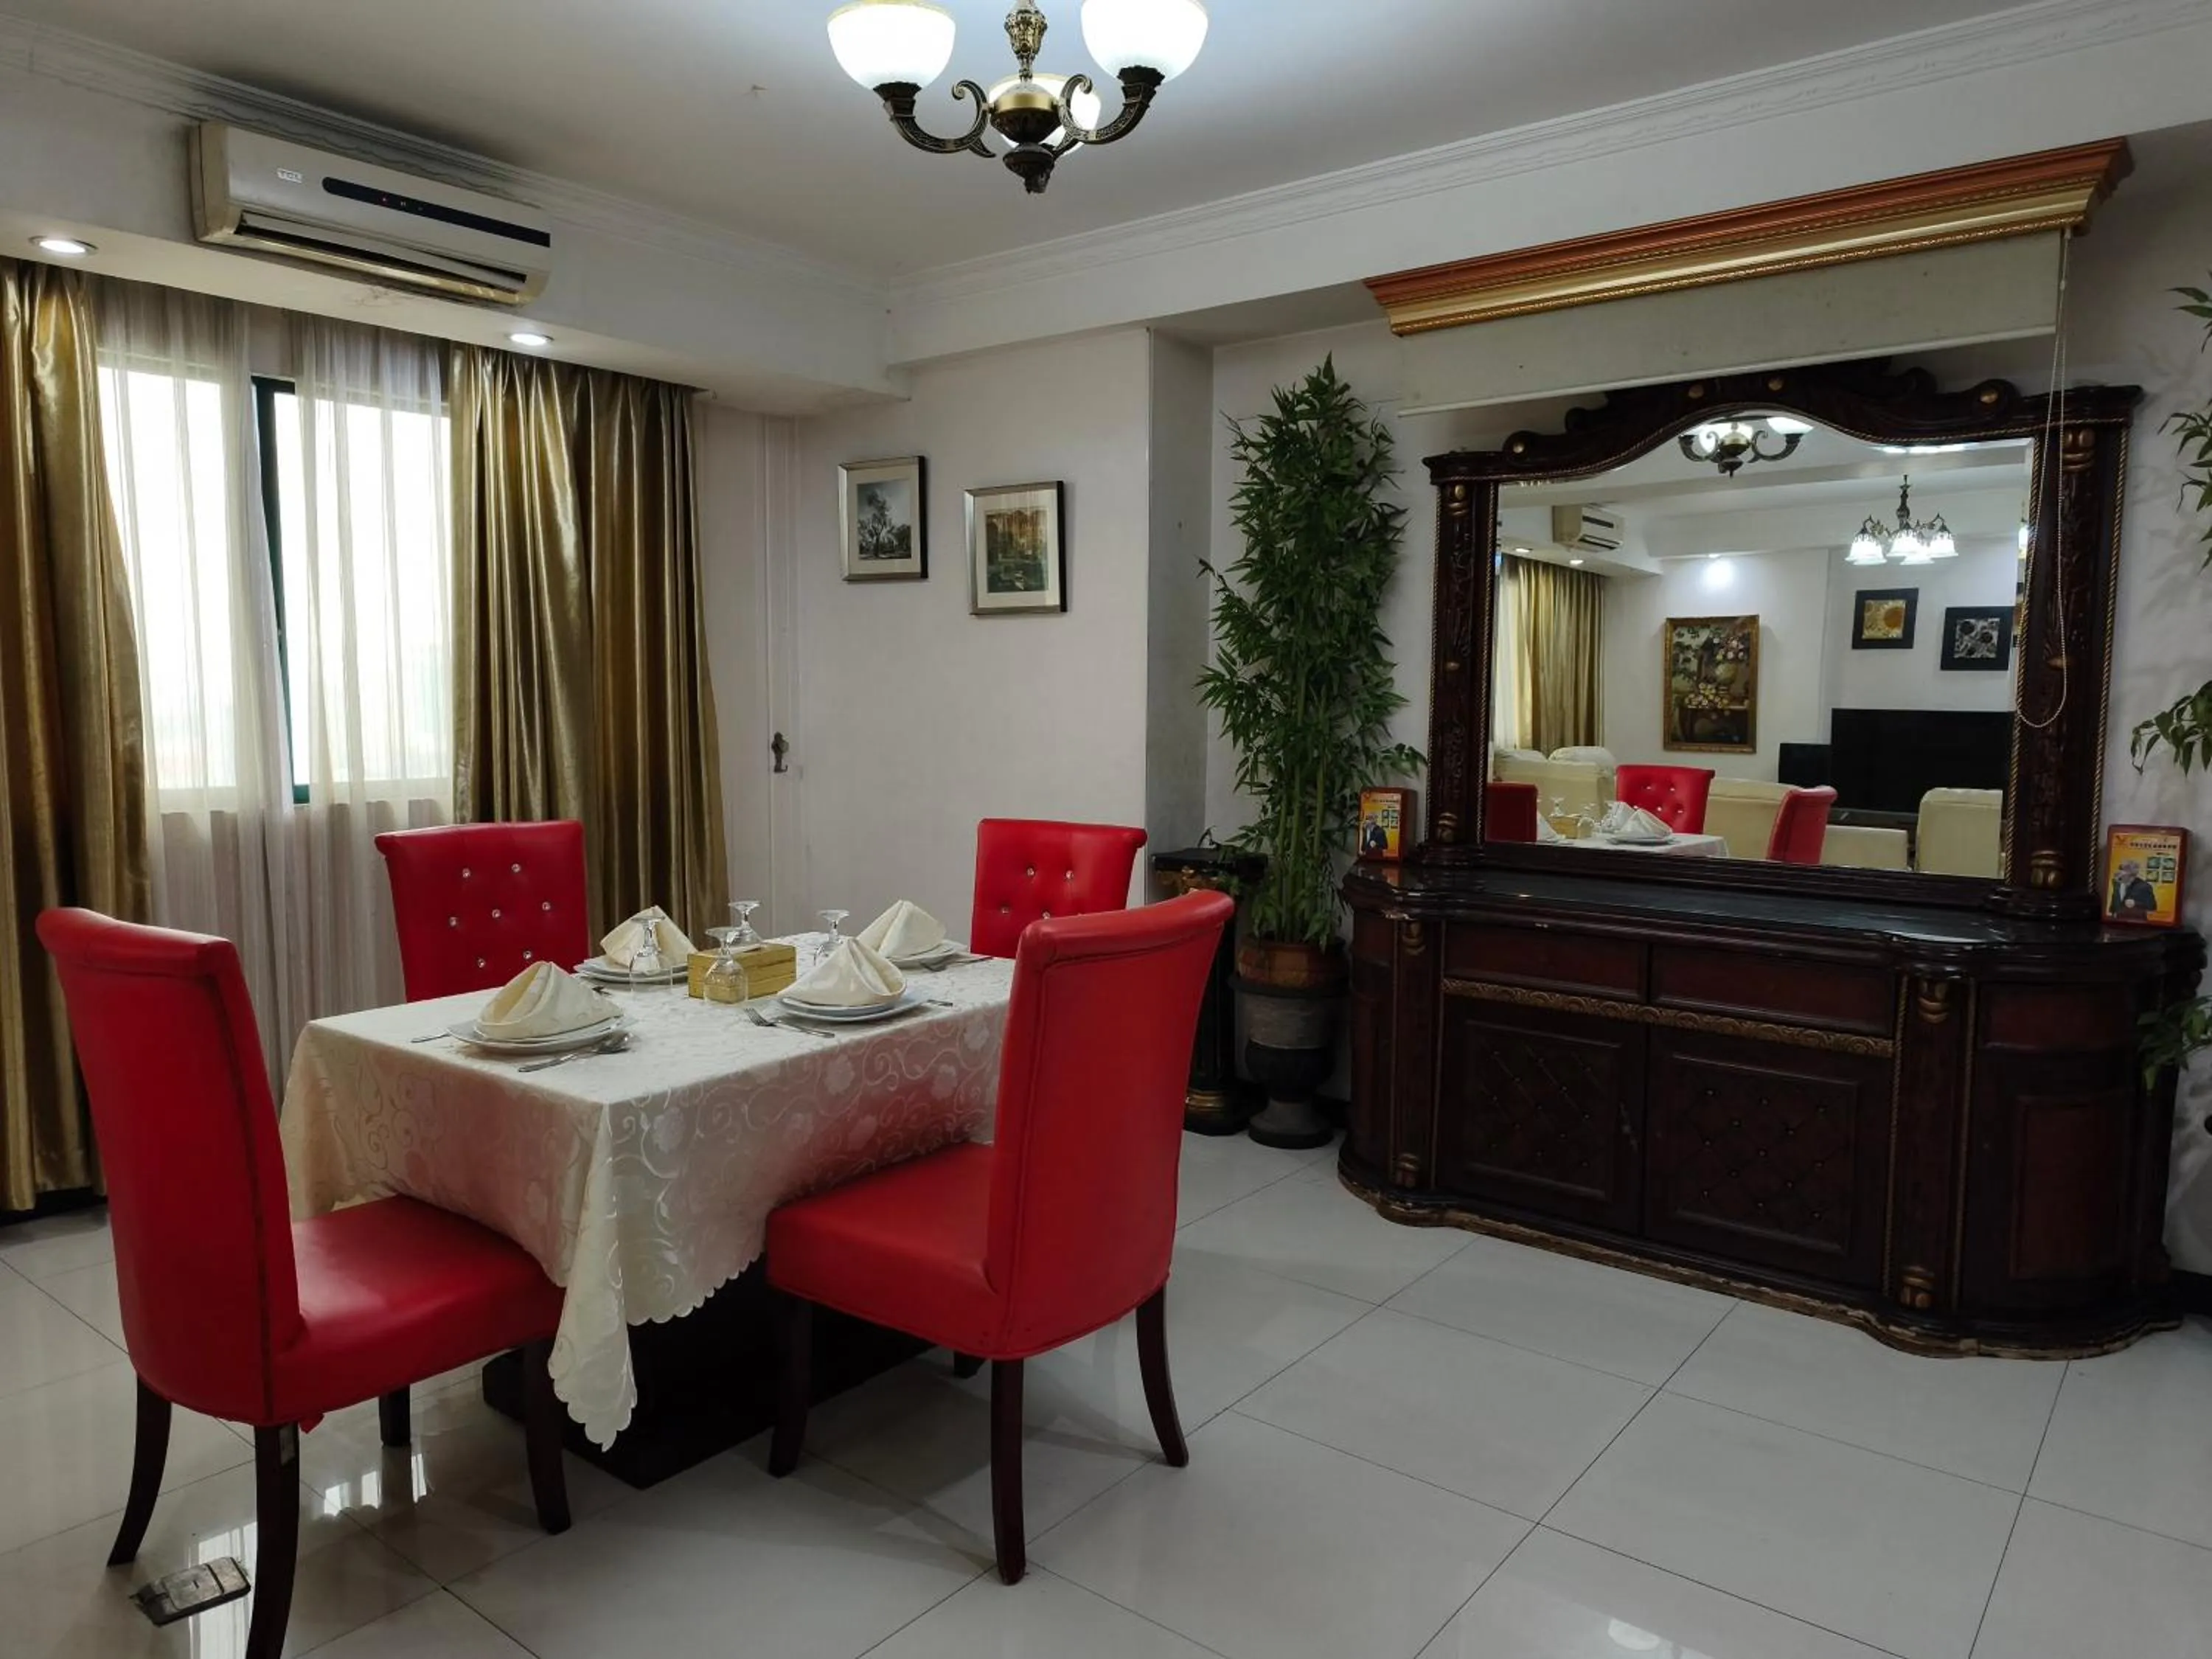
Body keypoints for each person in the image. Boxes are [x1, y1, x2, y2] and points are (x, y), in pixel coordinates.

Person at [2109, 857, 2158, 921]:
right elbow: (2115, 901)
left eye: (2123, 870)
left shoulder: (2144, 887)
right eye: (2120, 869)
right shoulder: (2117, 883)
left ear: (2132, 874)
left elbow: (2152, 907)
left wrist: (2135, 903)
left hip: (2136, 922)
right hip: (2116, 921)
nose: (2118, 872)